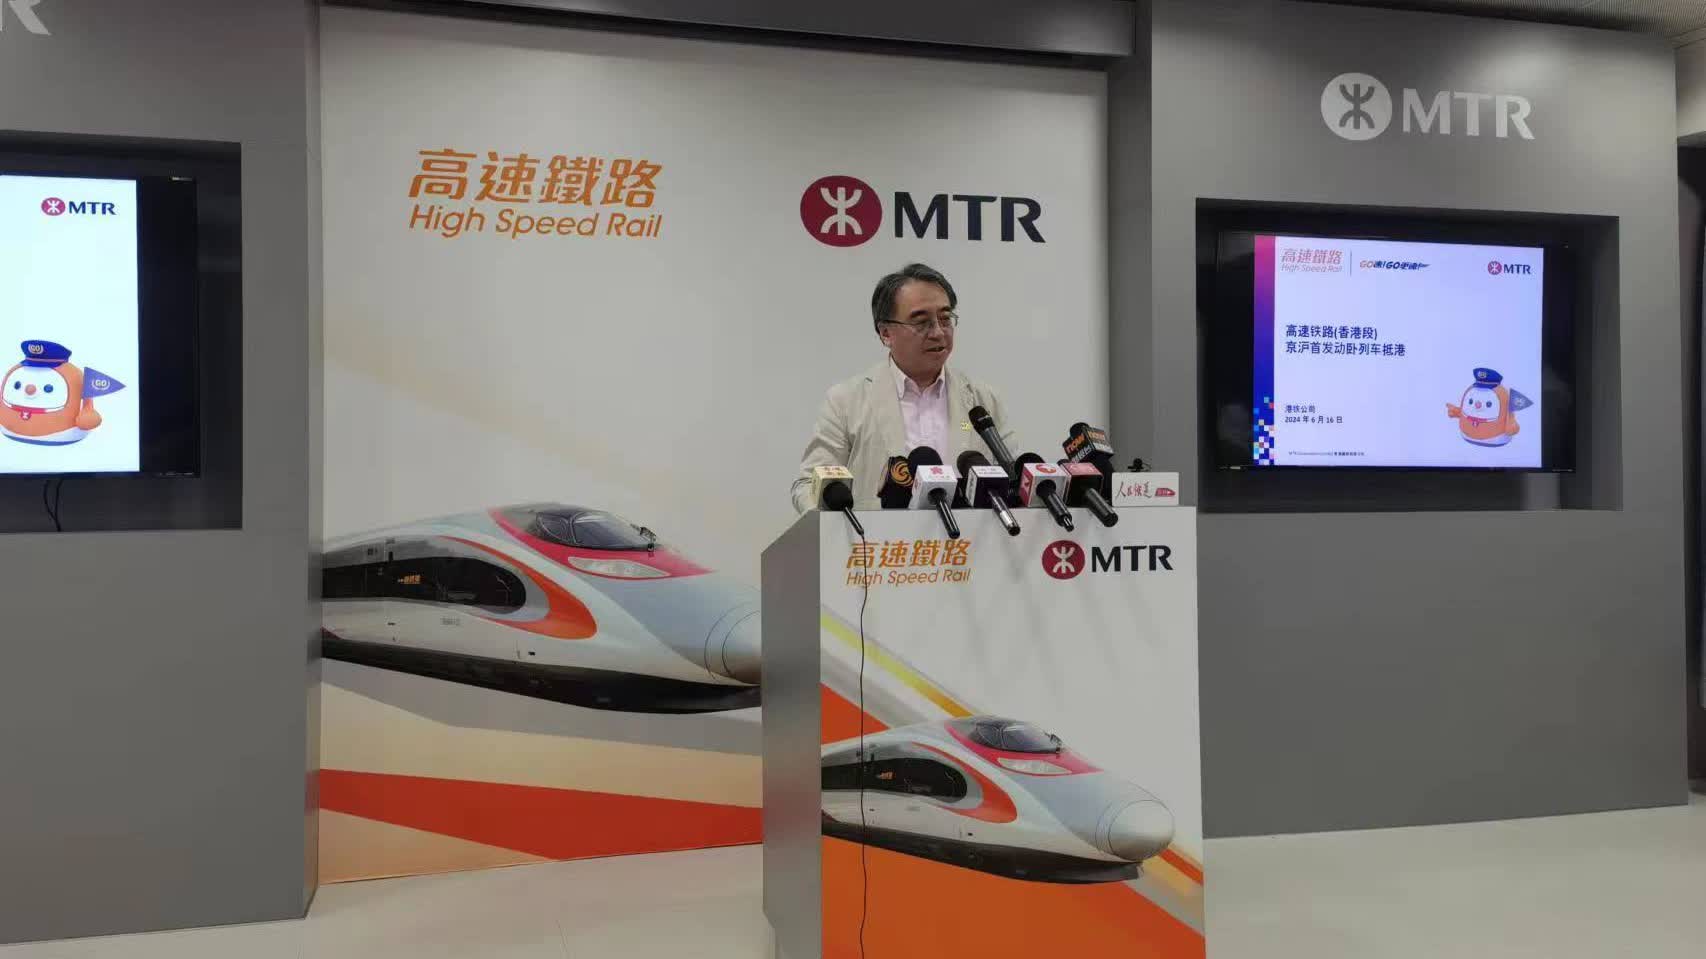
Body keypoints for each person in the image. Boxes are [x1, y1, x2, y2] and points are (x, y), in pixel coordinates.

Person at [791, 263, 1017, 513]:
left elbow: (1016, 483)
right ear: (886, 333)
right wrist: (834, 525)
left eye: (945, 319)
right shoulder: (846, 401)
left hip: (970, 537)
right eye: (922, 322)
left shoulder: (983, 400)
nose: (938, 332)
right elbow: (808, 486)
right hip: (878, 538)